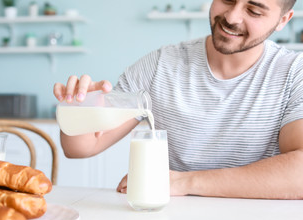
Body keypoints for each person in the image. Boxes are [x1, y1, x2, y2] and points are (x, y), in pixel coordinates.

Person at [54, 0, 303, 199]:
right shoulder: (160, 65)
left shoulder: (294, 74)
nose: (231, 17)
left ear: (283, 20)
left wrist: (185, 181)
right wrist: (80, 107)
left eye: (253, 10)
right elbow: (81, 148)